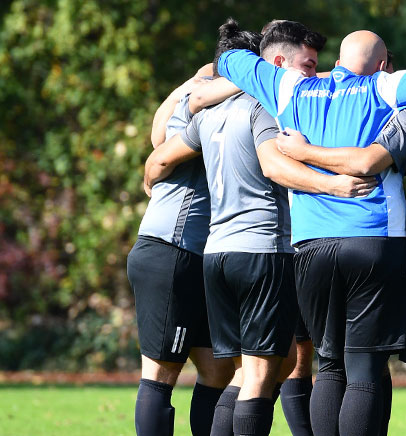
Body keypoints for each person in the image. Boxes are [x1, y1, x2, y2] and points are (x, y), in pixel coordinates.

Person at [216, 27, 406, 436]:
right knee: (364, 368)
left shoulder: (289, 86)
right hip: (374, 238)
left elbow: (229, 60)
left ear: (337, 63)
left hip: (311, 243)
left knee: (329, 364)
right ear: (382, 64)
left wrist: (235, 50)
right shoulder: (387, 85)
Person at [144, 20, 375, 436]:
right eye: (308, 66)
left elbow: (161, 150)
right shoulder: (265, 106)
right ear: (276, 64)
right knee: (258, 376)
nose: (312, 74)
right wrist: (334, 185)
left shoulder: (207, 110)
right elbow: (273, 165)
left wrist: (150, 178)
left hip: (216, 253)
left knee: (245, 371)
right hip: (261, 249)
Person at [129, 23, 242, 436]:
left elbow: (156, 133)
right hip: (171, 251)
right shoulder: (205, 101)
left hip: (198, 256)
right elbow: (159, 149)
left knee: (217, 369)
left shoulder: (197, 91)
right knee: (161, 374)